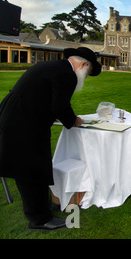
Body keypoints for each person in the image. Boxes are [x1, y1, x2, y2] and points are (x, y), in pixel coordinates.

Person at [0, 47, 101, 230]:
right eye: (87, 73)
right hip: (24, 124)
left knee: (29, 168)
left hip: (19, 119)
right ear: (83, 64)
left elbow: (46, 99)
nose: (85, 78)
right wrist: (74, 121)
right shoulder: (67, 74)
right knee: (32, 169)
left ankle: (38, 210)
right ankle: (40, 219)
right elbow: (60, 106)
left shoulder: (55, 67)